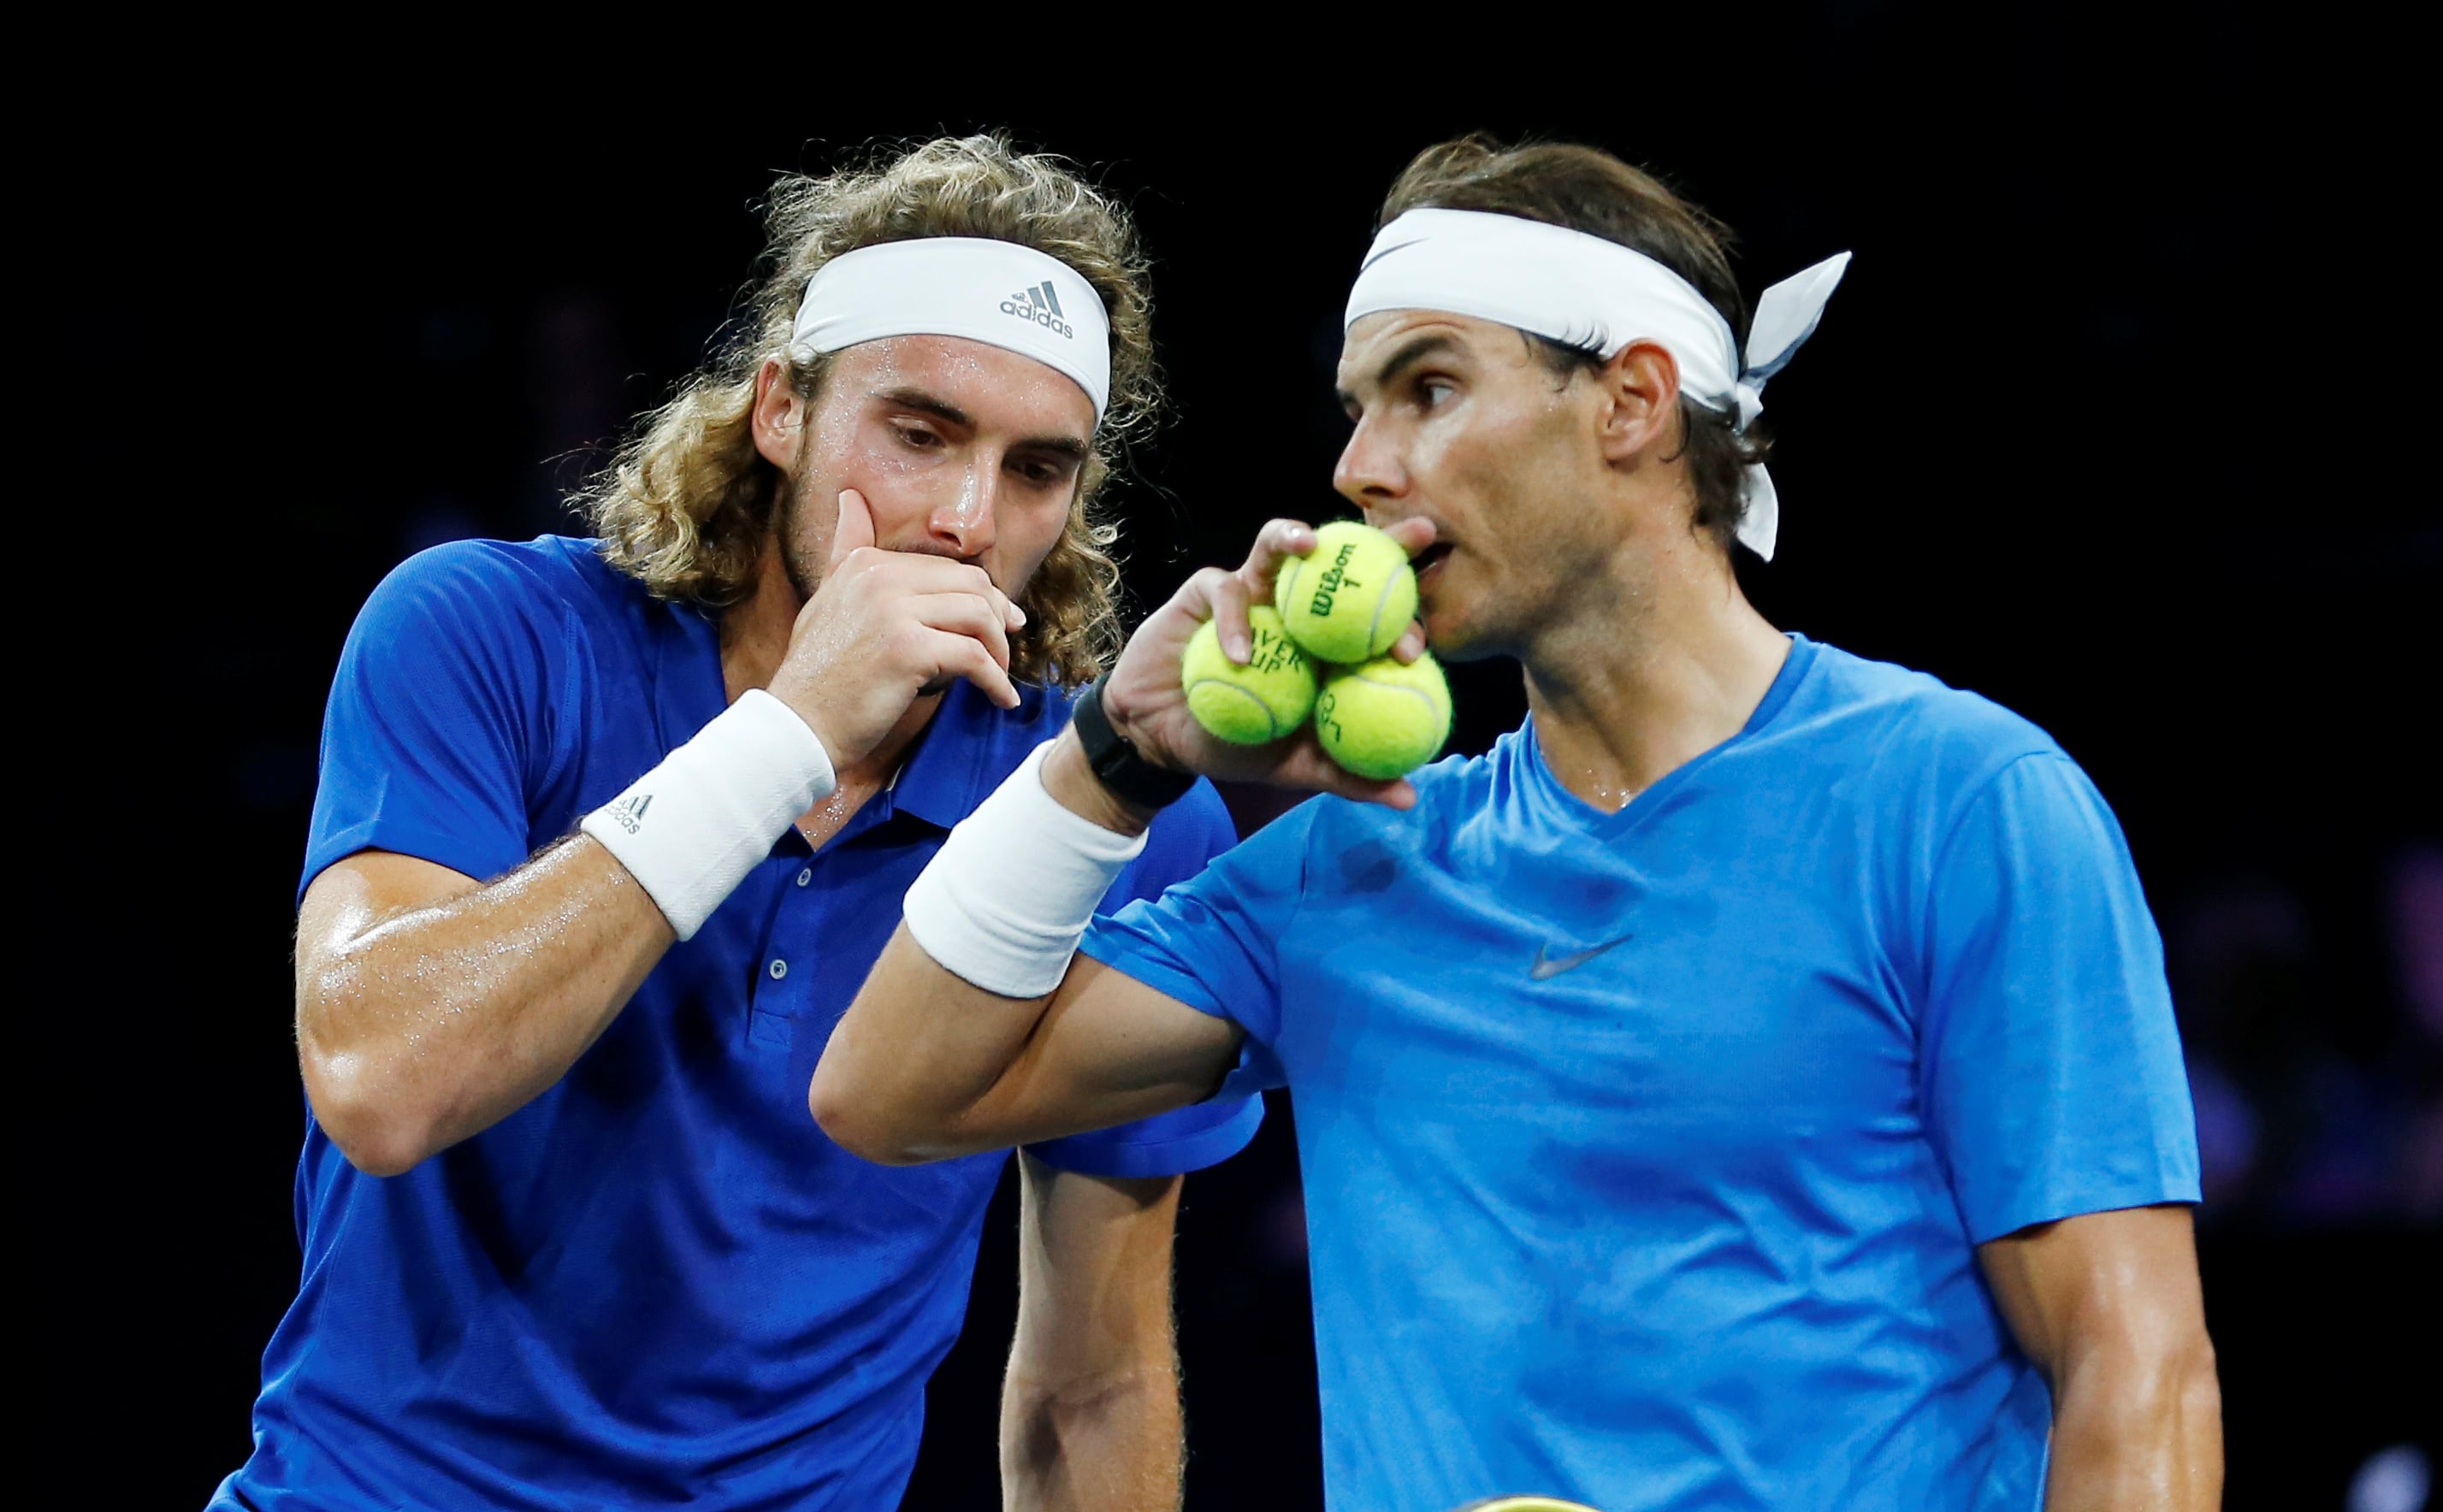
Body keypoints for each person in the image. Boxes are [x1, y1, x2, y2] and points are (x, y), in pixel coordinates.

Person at [813, 137, 2223, 1510]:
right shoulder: (1353, 867)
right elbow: (887, 1095)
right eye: (1356, 405)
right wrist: (1108, 760)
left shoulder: (1956, 803)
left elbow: (2134, 1373)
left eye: (1427, 388)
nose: (1360, 465)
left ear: (1631, 403)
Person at [213, 135, 1261, 1512]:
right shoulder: (480, 631)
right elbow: (380, 1080)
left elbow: (1092, 1391)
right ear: (781, 409)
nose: (964, 518)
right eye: (920, 432)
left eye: (1034, 470)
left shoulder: (1112, 816)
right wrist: (786, 738)